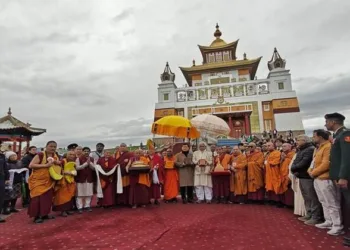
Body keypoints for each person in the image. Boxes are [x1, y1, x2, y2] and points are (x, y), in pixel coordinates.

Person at [309, 129, 343, 236]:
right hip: (317, 178)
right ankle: (328, 221)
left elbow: (326, 164)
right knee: (323, 201)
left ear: (320, 137)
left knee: (332, 203)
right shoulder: (319, 148)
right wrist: (310, 171)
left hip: (325, 178)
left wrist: (313, 172)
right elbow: (313, 162)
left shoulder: (328, 146)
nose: (313, 138)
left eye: (314, 136)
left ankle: (337, 225)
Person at [325, 113, 350, 246]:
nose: (325, 124)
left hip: (345, 177)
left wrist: (343, 176)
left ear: (333, 122)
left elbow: (346, 158)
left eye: (327, 122)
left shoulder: (345, 134)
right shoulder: (337, 136)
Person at [291, 135, 322, 225]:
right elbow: (296, 161)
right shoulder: (301, 149)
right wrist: (294, 169)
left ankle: (316, 217)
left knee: (312, 197)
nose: (296, 142)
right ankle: (309, 214)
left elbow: (304, 163)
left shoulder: (310, 149)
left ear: (305, 140)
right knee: (306, 196)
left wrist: (293, 168)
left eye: (298, 140)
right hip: (301, 175)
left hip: (307, 176)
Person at [28, 141, 59, 223]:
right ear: (46, 146)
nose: (53, 148)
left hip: (49, 180)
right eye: (51, 146)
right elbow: (31, 165)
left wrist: (57, 163)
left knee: (47, 198)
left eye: (54, 147)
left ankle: (45, 214)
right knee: (37, 198)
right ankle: (37, 216)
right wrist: (45, 165)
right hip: (38, 180)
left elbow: (58, 165)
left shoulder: (55, 155)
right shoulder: (40, 155)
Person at [53, 151, 77, 217]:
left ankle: (68, 209)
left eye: (73, 154)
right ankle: (63, 211)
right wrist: (66, 172)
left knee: (71, 195)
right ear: (66, 155)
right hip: (63, 181)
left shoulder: (74, 162)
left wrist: (73, 173)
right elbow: (57, 169)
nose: (72, 156)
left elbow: (74, 170)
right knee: (62, 196)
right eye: (70, 154)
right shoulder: (63, 161)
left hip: (71, 180)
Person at [76, 147, 95, 213]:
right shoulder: (78, 158)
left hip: (89, 178)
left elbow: (94, 168)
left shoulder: (92, 159)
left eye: (88, 151)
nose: (86, 152)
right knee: (80, 194)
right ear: (82, 152)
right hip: (81, 178)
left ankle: (87, 206)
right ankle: (80, 207)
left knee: (89, 193)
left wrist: (90, 163)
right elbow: (77, 168)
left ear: (90, 152)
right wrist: (86, 164)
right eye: (85, 151)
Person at [280, 143, 295, 207]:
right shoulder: (283, 155)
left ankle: (291, 204)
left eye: (285, 146)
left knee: (289, 190)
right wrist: (282, 159)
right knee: (284, 190)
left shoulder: (292, 154)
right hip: (283, 174)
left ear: (290, 147)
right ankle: (285, 203)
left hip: (289, 174)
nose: (283, 147)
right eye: (282, 146)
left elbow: (293, 163)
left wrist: (285, 159)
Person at [0, 142, 10, 223]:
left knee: (1, 197)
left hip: (1, 179)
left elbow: (5, 167)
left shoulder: (2, 156)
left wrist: (7, 177)